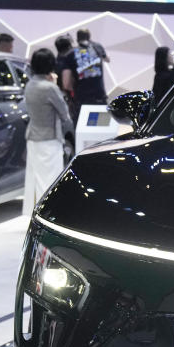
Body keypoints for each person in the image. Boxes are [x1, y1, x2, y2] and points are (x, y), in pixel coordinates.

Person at [23, 48, 73, 216]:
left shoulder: (29, 85)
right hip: (49, 139)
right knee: (50, 181)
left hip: (32, 137)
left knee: (35, 179)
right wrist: (55, 85)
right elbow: (64, 114)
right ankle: (48, 215)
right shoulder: (49, 88)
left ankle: (36, 214)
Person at [63, 28, 109, 119]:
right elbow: (107, 59)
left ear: (77, 39)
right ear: (89, 37)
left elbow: (66, 84)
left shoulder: (70, 54)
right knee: (101, 127)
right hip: (99, 95)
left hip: (82, 98)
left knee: (83, 129)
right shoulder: (97, 47)